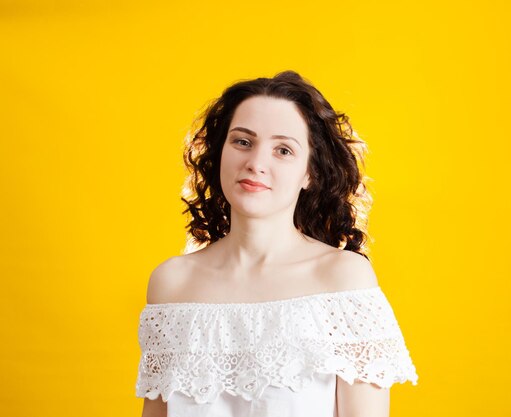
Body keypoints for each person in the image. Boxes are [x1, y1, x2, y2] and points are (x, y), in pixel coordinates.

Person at [135, 70, 419, 417]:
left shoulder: (343, 279)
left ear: (309, 173)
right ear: (219, 152)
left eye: (283, 150)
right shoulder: (171, 283)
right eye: (242, 142)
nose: (256, 164)